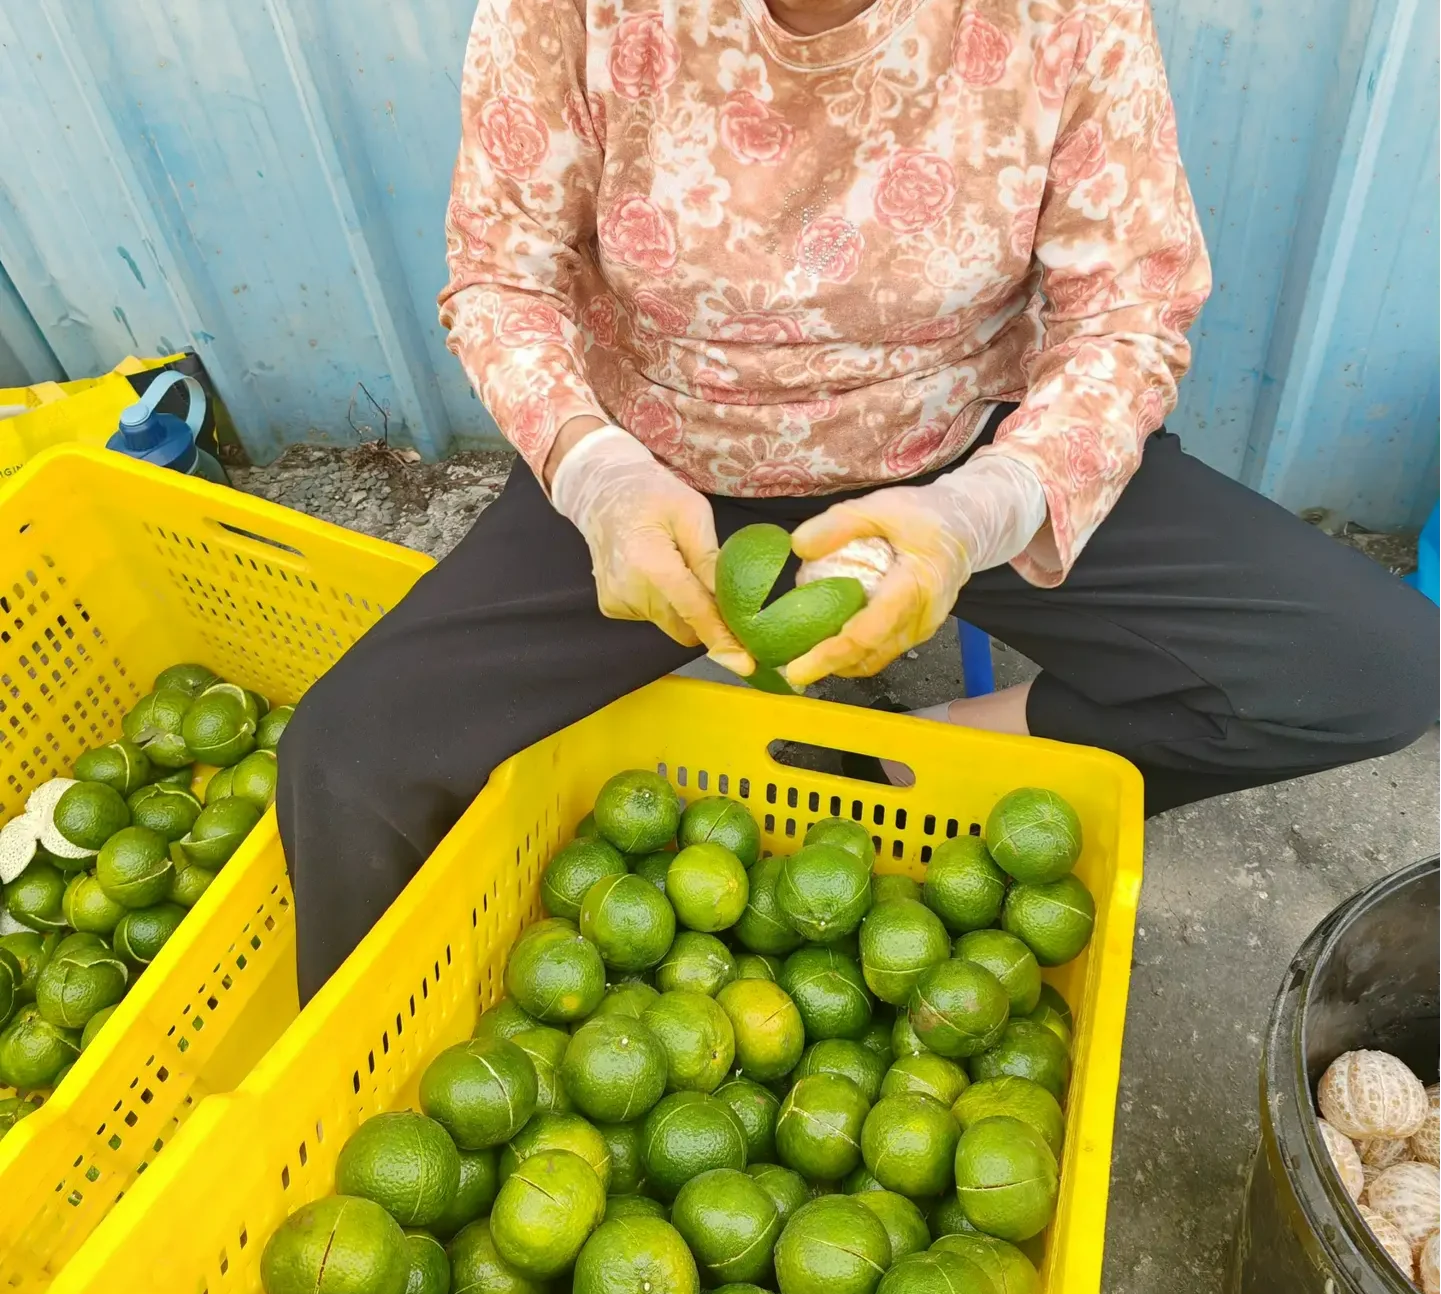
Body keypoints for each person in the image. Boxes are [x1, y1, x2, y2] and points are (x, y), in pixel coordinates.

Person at [277, 0, 1438, 1001]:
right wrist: (593, 471)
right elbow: (500, 278)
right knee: (347, 765)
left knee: (1372, 668)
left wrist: (979, 510)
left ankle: (904, 769)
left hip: (955, 451)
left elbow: (1128, 311)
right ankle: (388, 1092)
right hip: (661, 465)